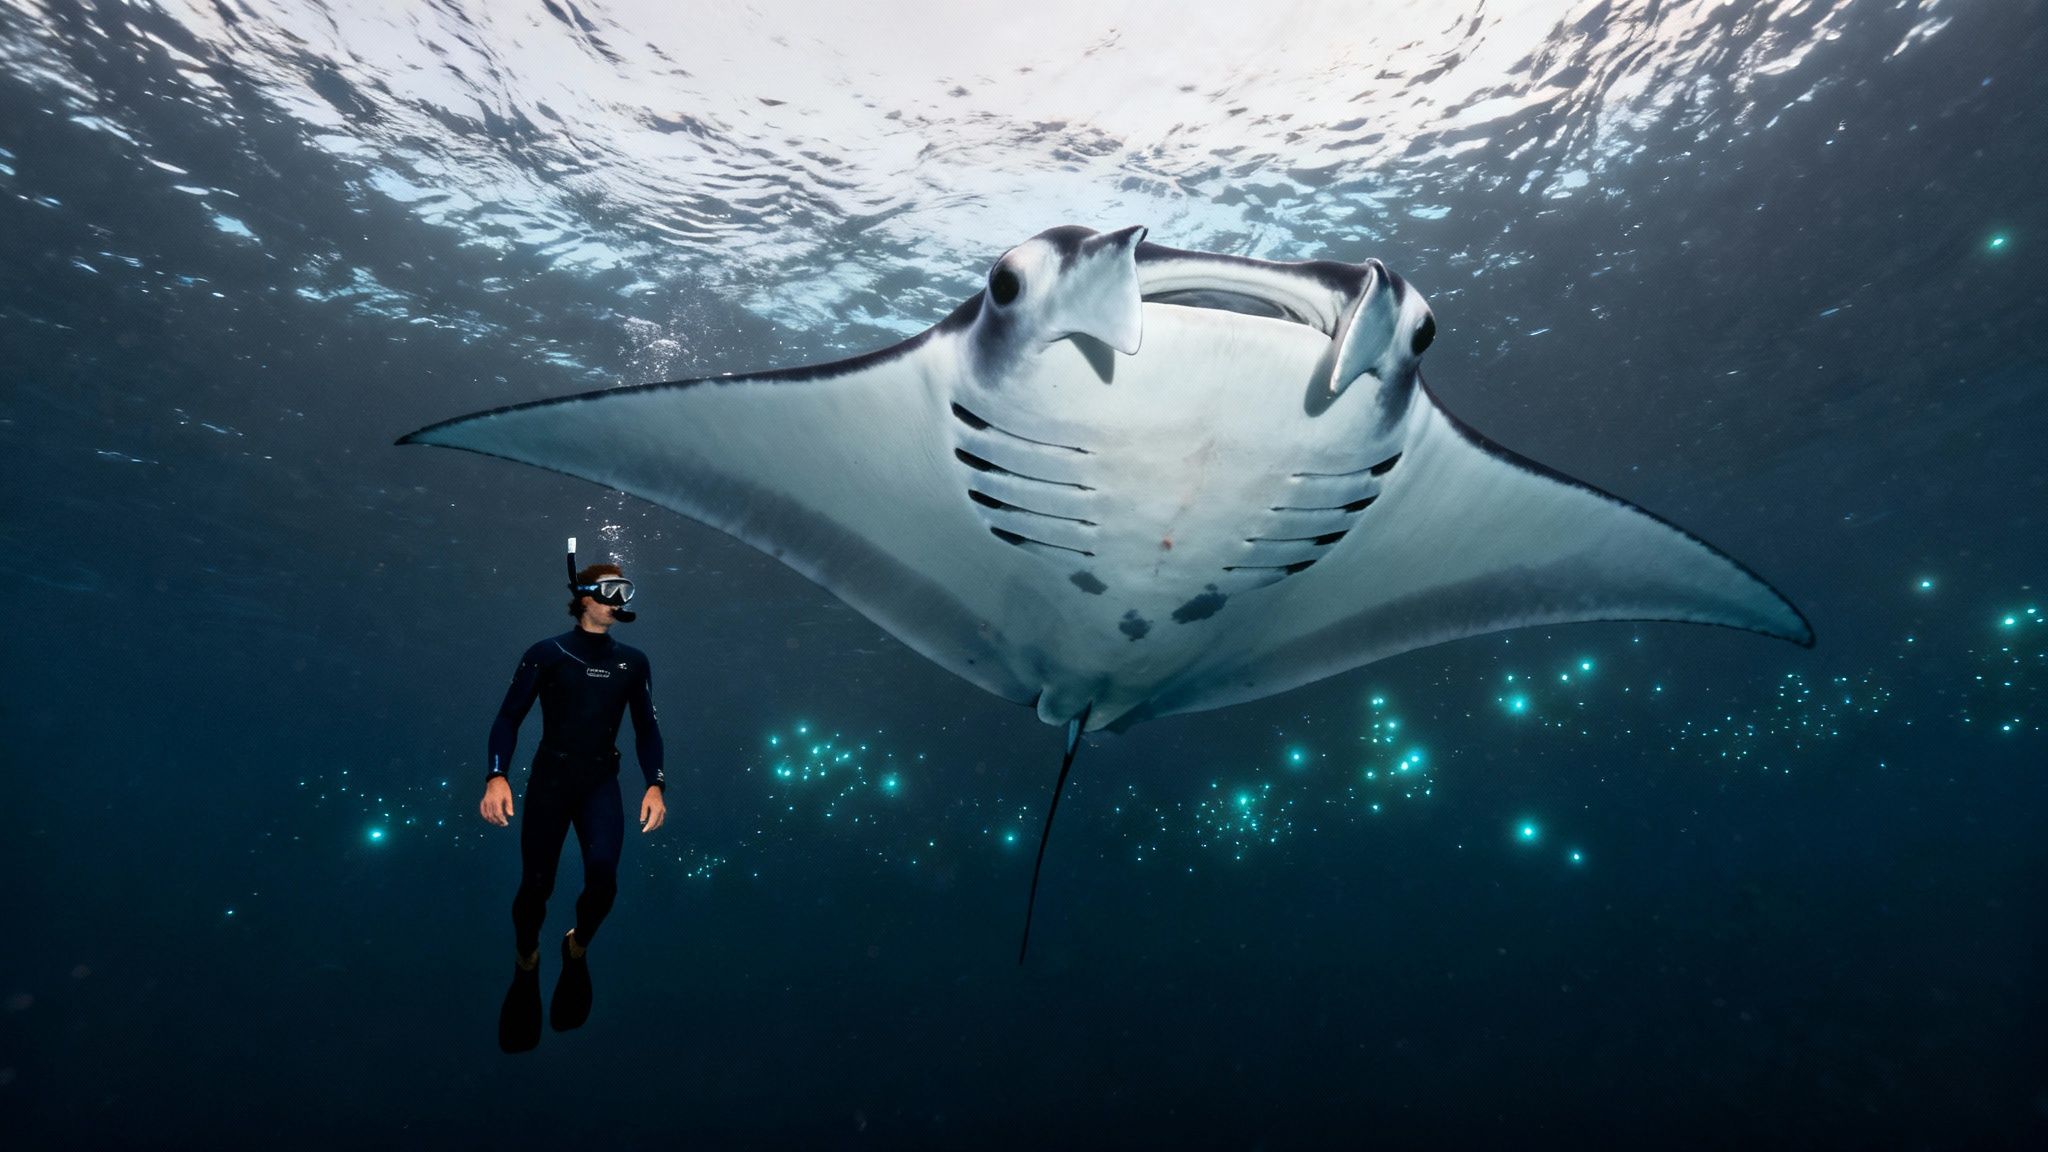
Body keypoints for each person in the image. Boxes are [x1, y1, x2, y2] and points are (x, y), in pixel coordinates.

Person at [480, 560, 666, 1053]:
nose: (618, 599)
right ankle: (526, 961)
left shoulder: (634, 662)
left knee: (603, 880)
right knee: (535, 887)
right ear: (583, 595)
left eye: (625, 590)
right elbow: (508, 717)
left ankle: (575, 946)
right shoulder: (548, 653)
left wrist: (655, 784)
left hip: (601, 782)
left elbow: (647, 729)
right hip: (550, 782)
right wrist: (496, 775)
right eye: (610, 590)